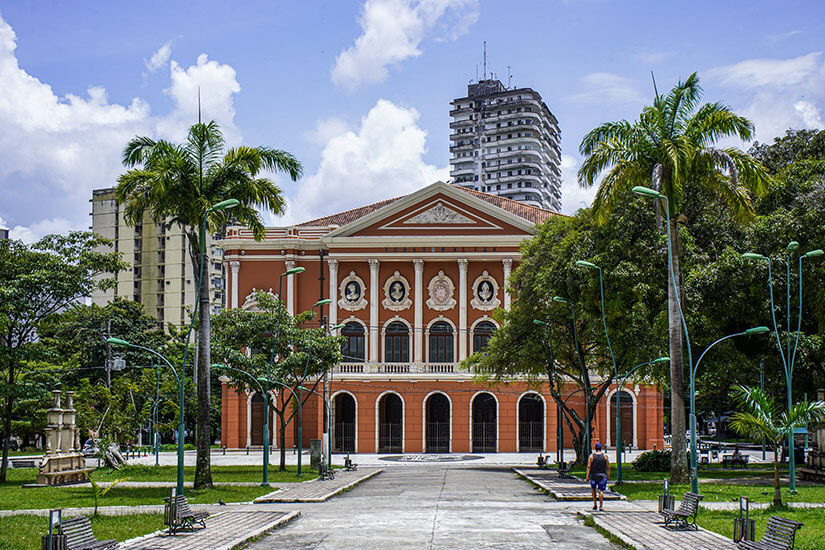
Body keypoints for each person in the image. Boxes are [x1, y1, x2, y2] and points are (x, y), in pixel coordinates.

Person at [585, 442, 610, 511]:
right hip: (602, 475)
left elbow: (589, 466)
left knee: (593, 489)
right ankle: (601, 506)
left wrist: (587, 476)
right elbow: (608, 466)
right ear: (601, 448)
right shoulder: (605, 456)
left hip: (594, 475)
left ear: (595, 448)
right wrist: (608, 475)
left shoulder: (591, 456)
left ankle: (595, 503)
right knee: (601, 491)